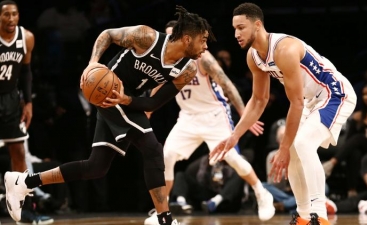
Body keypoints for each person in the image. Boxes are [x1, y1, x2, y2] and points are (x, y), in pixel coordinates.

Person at [4, 5, 215, 225]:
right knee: (153, 149)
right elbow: (108, 35)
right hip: (106, 90)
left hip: (126, 99)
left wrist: (127, 100)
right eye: (203, 39)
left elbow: (154, 101)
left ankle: (24, 182)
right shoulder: (147, 37)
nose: (206, 46)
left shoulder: (187, 69)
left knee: (95, 167)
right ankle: (164, 218)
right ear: (188, 39)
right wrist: (93, 63)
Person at [210, 3, 357, 225]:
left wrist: (284, 147)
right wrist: (235, 135)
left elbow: (295, 103)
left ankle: (321, 215)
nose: (236, 34)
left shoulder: (284, 49)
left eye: (241, 27)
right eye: (234, 29)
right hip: (310, 101)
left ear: (257, 25)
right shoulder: (254, 56)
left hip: (333, 93)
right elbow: (259, 100)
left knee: (302, 144)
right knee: (296, 151)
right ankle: (304, 217)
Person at [144, 20, 275, 224]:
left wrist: (244, 114)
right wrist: (148, 110)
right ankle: (163, 213)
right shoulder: (166, 60)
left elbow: (228, 85)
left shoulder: (202, 58)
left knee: (231, 158)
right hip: (187, 117)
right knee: (167, 156)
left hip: (215, 115)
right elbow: (158, 85)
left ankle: (261, 192)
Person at [0, 1, 54, 224]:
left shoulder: (27, 38)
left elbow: (27, 73)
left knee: (19, 154)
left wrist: (28, 103)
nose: (11, 19)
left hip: (12, 100)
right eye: (6, 15)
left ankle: (26, 210)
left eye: (14, 14)